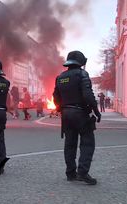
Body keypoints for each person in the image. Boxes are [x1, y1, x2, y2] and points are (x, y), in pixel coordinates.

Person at [53, 50, 101, 185]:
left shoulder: (60, 77)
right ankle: (83, 172)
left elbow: (55, 97)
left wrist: (60, 108)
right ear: (80, 62)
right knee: (87, 142)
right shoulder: (82, 74)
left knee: (69, 144)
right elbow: (88, 95)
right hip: (81, 113)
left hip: (66, 114)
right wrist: (96, 111)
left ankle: (70, 173)